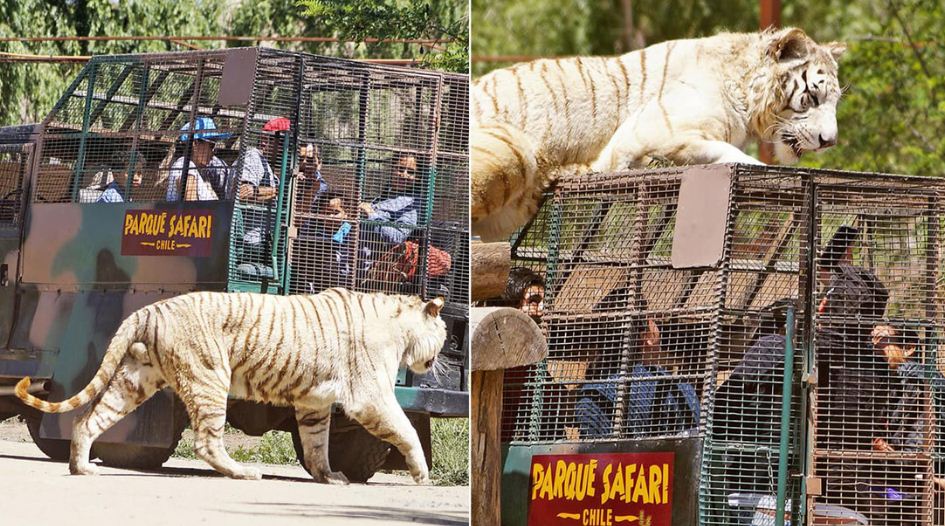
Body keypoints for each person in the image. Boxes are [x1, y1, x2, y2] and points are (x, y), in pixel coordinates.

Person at [575, 301, 700, 439]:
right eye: (649, 316)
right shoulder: (674, 387)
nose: (653, 322)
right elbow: (696, 443)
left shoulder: (589, 393)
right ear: (645, 337)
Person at [166, 117, 231, 202]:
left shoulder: (201, 172)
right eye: (211, 145)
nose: (213, 152)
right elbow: (190, 204)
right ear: (195, 143)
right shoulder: (185, 165)